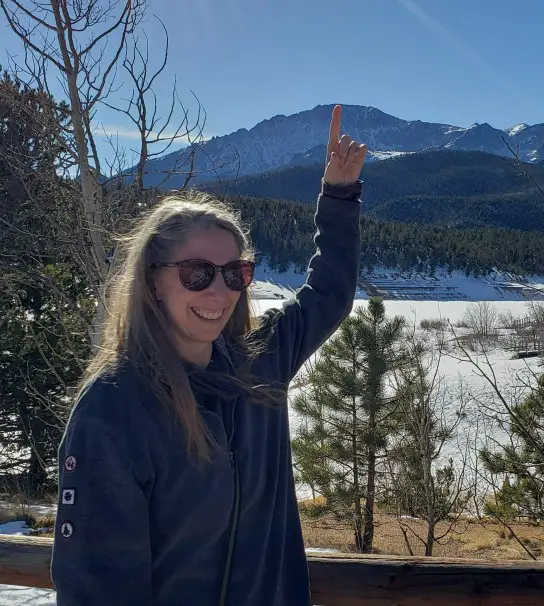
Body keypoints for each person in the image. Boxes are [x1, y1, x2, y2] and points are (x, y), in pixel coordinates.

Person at [51, 105, 367, 606]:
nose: (218, 292)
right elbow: (98, 586)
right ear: (154, 279)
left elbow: (329, 294)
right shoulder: (114, 410)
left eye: (234, 274)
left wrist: (339, 195)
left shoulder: (259, 362)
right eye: (197, 273)